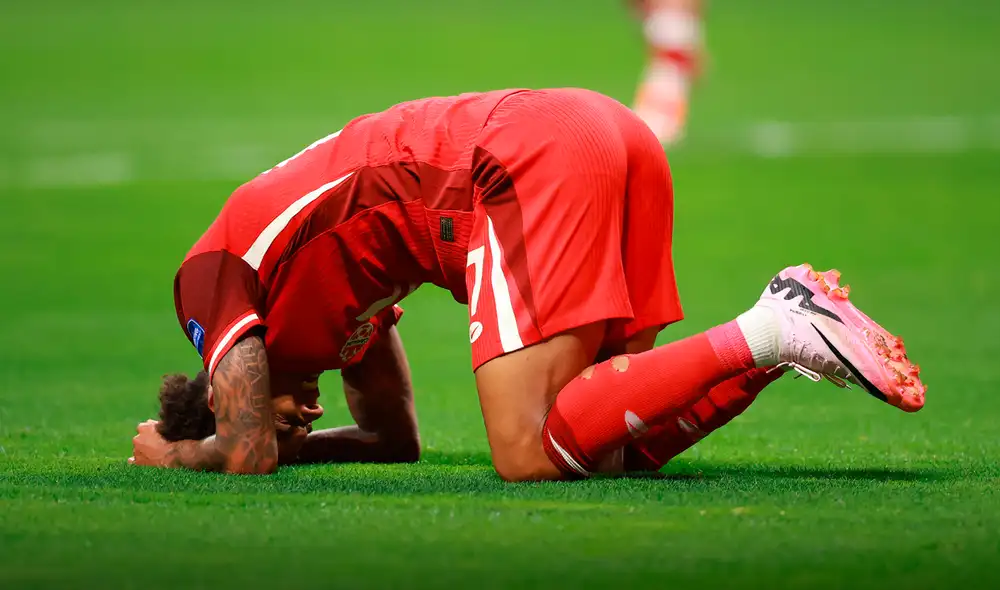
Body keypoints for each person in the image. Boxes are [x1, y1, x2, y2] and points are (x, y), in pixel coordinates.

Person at [129, 88, 925, 479]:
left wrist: (173, 455)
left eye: (284, 414)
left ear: (221, 380)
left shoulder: (211, 282)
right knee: (615, 452)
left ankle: (775, 325)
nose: (308, 415)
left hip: (511, 162)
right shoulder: (331, 325)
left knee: (522, 451)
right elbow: (394, 443)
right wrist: (287, 444)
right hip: (601, 131)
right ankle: (781, 340)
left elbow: (245, 451)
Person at [629, 0, 704, 146]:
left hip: (673, 67)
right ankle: (655, 131)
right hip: (667, 67)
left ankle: (663, 130)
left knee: (670, 97)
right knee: (661, 96)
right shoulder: (665, 18)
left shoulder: (682, 19)